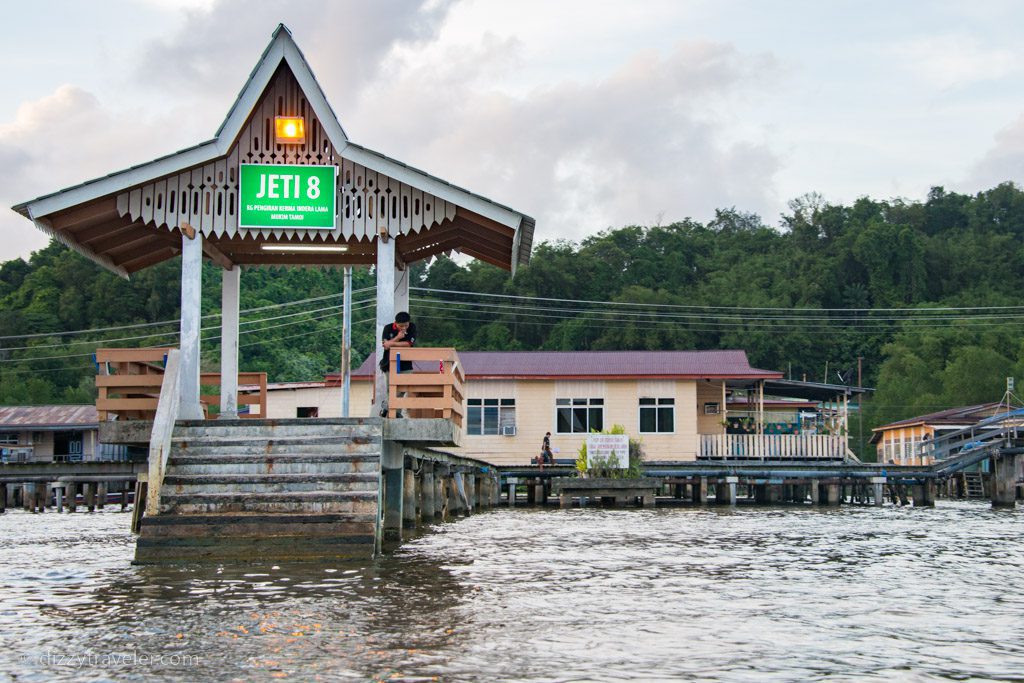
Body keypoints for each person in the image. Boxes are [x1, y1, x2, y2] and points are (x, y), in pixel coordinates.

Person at [379, 312, 417, 416]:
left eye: (406, 325)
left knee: (403, 388)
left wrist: (392, 343)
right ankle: (394, 413)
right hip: (389, 363)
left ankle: (387, 407)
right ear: (396, 323)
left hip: (406, 364)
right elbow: (386, 346)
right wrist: (398, 337)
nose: (404, 328)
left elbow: (409, 344)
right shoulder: (388, 328)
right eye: (401, 326)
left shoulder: (412, 327)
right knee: (391, 388)